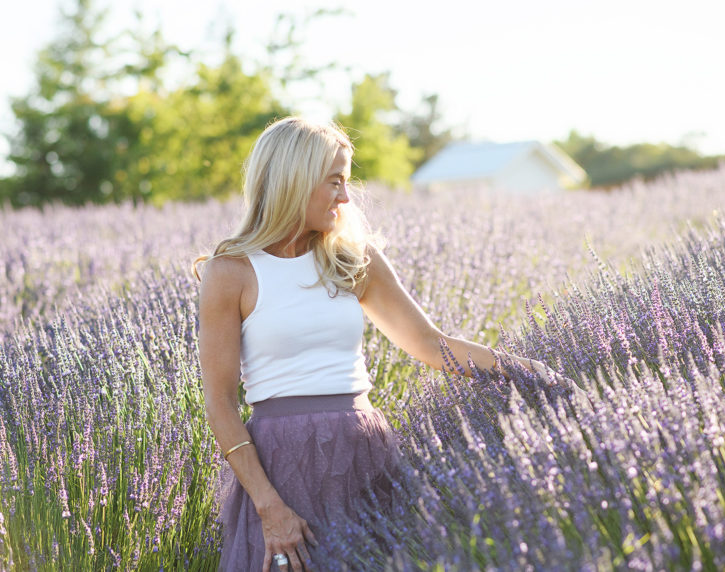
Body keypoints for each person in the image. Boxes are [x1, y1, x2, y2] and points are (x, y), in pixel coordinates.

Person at [193, 117, 576, 572]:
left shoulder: (354, 261)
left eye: (346, 181)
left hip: (365, 454)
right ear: (293, 180)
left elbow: (431, 344)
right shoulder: (230, 271)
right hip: (282, 463)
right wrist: (267, 505)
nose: (346, 196)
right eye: (334, 181)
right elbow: (219, 401)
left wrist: (530, 371)